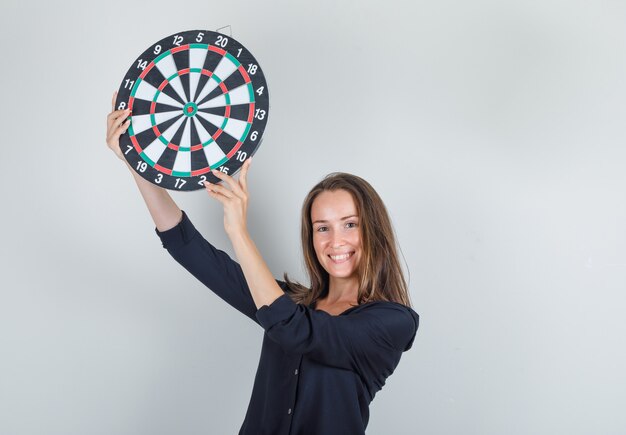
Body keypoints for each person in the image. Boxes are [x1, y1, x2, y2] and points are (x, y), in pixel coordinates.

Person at [106, 93, 419, 434]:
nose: (335, 241)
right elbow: (186, 247)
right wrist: (136, 162)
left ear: (372, 229)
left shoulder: (392, 323)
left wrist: (239, 232)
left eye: (350, 224)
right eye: (322, 228)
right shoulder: (289, 302)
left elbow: (295, 330)